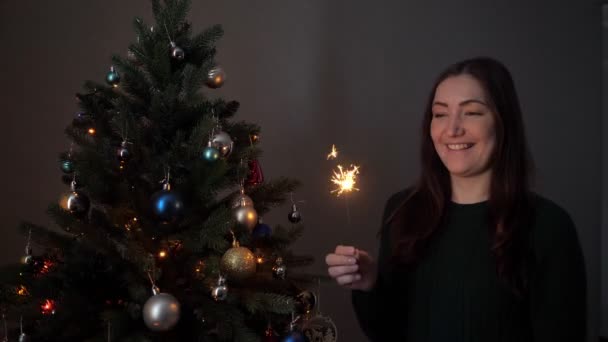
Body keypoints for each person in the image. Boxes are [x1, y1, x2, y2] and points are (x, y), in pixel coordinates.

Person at [325, 56, 587, 341]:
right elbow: (388, 332)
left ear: (503, 122)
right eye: (440, 114)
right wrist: (371, 284)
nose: (452, 129)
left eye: (472, 112)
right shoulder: (403, 211)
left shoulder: (549, 226)